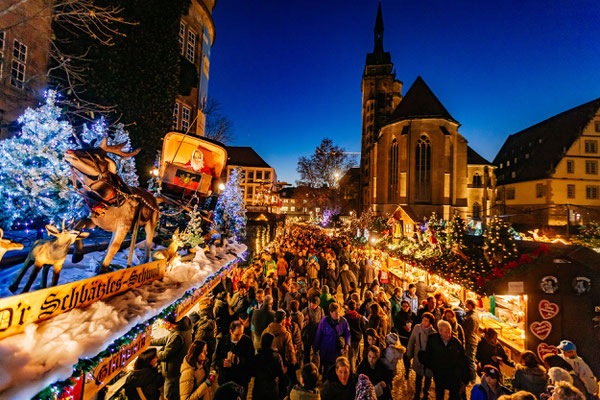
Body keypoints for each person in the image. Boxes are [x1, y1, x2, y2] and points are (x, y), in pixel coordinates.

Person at [422, 320, 470, 400]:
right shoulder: (433, 339)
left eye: (450, 332)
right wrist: (432, 366)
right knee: (439, 394)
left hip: (453, 376)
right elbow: (428, 355)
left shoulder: (456, 343)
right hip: (439, 375)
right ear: (440, 331)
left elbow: (463, 361)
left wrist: (465, 379)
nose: (448, 335)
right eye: (445, 332)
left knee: (454, 396)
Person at [151, 314, 193, 400]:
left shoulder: (178, 336)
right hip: (177, 369)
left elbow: (166, 355)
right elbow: (166, 339)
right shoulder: (180, 329)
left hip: (172, 372)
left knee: (170, 396)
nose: (162, 324)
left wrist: (154, 354)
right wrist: (150, 342)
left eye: (164, 322)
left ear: (169, 323)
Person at [212, 320, 255, 395]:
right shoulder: (223, 341)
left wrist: (238, 361)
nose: (240, 337)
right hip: (225, 381)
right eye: (237, 335)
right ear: (231, 331)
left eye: (242, 334)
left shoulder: (247, 342)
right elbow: (217, 359)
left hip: (240, 382)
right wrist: (222, 362)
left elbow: (251, 362)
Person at [314, 303, 351, 375]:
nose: (338, 314)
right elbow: (318, 334)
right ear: (330, 312)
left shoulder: (343, 321)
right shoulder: (324, 321)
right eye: (336, 313)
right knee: (326, 370)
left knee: (336, 368)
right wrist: (316, 348)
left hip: (337, 350)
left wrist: (347, 344)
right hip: (326, 350)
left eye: (338, 312)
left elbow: (347, 334)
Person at [407, 312, 436, 400]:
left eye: (426, 321)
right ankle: (417, 394)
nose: (423, 322)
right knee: (418, 377)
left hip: (428, 359)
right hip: (418, 357)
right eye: (423, 320)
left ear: (430, 322)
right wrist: (409, 353)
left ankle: (425, 394)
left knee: (428, 378)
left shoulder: (433, 333)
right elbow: (411, 341)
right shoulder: (417, 328)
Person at [252, 332, 285, 400]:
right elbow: (281, 373)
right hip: (272, 388)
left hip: (258, 387)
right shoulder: (276, 357)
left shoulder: (257, 357)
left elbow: (252, 372)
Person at [394, 300, 416, 379]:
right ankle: (407, 369)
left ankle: (409, 362)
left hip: (411, 337)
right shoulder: (399, 315)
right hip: (403, 336)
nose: (404, 308)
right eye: (403, 306)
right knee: (405, 352)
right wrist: (403, 327)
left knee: (411, 352)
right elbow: (396, 324)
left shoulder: (413, 315)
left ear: (409, 307)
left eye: (406, 306)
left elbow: (416, 324)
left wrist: (411, 328)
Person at [345, 299, 367, 371]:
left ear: (348, 307)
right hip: (357, 339)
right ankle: (354, 367)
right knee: (354, 354)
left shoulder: (345, 317)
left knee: (351, 356)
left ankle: (352, 371)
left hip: (349, 339)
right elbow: (364, 329)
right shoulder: (360, 317)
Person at [461, 299, 480, 383]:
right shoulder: (472, 314)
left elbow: (469, 331)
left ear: (470, 305)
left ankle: (473, 378)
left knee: (470, 359)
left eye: (467, 304)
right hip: (471, 339)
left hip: (470, 341)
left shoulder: (472, 318)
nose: (465, 305)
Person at [303, 295, 324, 365]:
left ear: (317, 304)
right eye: (312, 303)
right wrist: (305, 320)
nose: (312, 305)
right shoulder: (306, 310)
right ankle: (306, 366)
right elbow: (300, 321)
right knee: (306, 352)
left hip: (317, 334)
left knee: (316, 352)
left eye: (314, 304)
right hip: (308, 334)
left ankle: (315, 367)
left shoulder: (321, 310)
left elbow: (323, 320)